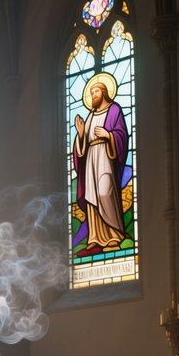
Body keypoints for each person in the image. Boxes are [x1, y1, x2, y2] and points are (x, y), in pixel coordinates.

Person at [73, 72, 128, 255]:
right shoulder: (90, 115)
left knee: (105, 192)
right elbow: (82, 146)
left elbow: (121, 134)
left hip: (105, 156)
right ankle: (95, 237)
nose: (93, 96)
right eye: (91, 93)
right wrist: (81, 134)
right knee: (92, 197)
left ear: (104, 92)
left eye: (95, 92)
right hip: (90, 160)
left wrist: (108, 135)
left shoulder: (114, 110)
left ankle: (114, 233)